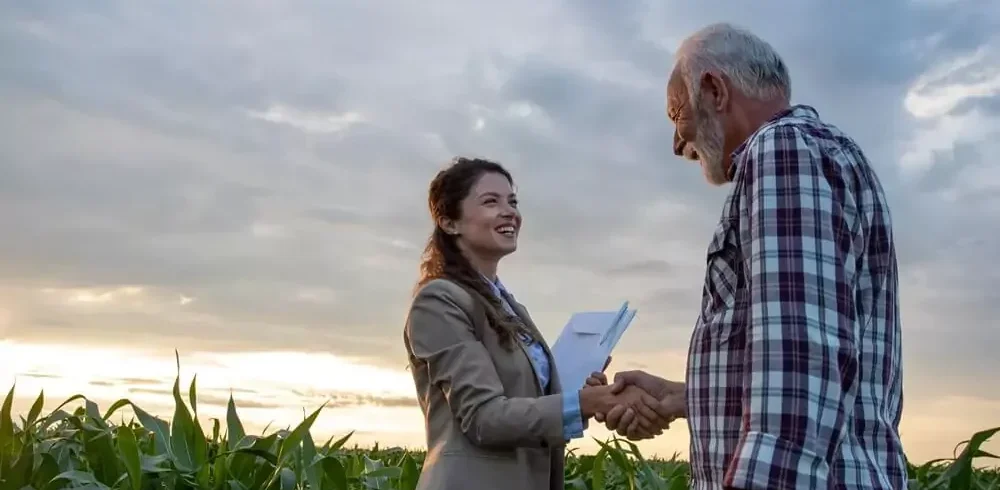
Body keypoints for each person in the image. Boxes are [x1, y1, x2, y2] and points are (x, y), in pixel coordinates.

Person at [589, 23, 907, 489]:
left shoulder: (783, 151)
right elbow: (816, 355)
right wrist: (685, 396)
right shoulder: (823, 153)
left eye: (677, 115)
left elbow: (800, 365)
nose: (678, 144)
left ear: (714, 90)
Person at [403, 157, 665, 490]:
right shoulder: (439, 300)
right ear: (449, 222)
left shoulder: (514, 309)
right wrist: (587, 403)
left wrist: (582, 395)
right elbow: (484, 418)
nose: (509, 211)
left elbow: (531, 410)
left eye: (512, 201)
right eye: (491, 201)